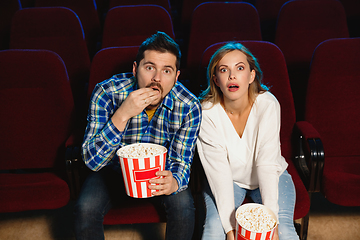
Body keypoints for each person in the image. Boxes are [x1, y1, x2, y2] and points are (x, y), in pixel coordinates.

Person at [74, 31, 202, 240]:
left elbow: (181, 160)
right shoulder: (106, 92)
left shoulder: (188, 106)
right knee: (85, 209)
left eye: (167, 71)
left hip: (160, 172)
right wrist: (122, 114)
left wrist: (175, 181)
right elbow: (92, 161)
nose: (157, 79)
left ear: (177, 77)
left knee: (184, 207)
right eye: (149, 67)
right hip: (112, 170)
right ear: (135, 69)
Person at [196, 42, 299, 240]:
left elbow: (266, 164)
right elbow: (219, 173)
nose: (232, 76)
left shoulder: (268, 104)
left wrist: (272, 225)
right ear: (216, 80)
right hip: (228, 180)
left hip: (270, 177)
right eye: (224, 70)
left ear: (251, 76)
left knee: (284, 231)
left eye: (240, 68)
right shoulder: (206, 112)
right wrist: (229, 229)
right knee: (213, 230)